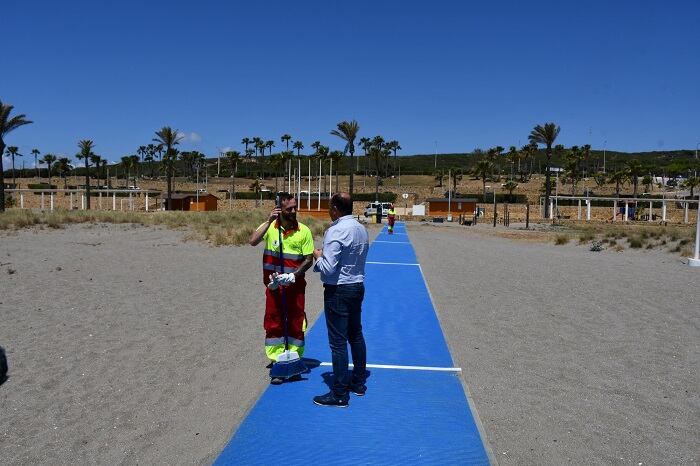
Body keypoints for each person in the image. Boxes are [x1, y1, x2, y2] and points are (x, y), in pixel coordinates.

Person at [249, 193, 314, 384]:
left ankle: (293, 360)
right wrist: (268, 221)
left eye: (295, 208)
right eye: (288, 209)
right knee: (274, 321)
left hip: (295, 288)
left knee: (295, 321)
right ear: (279, 210)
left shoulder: (304, 231)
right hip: (274, 287)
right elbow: (253, 241)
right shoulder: (271, 228)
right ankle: (277, 361)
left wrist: (293, 275)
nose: (293, 211)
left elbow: (309, 259)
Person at [312, 192, 369, 407]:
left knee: (338, 342)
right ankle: (359, 382)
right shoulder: (361, 229)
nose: (328, 210)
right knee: (355, 334)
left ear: (335, 208)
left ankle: (339, 393)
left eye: (329, 206)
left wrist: (318, 256)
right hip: (357, 286)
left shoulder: (335, 231)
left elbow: (328, 268)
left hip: (338, 290)